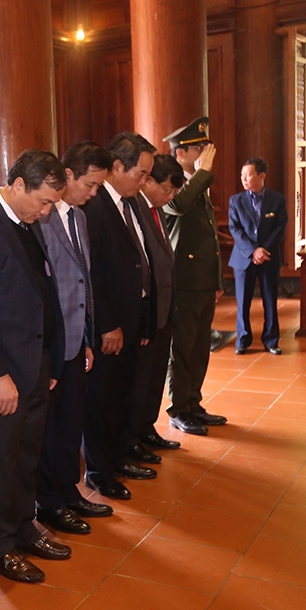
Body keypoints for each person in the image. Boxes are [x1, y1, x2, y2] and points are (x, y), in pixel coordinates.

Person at [0, 149, 70, 585]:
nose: (45, 213)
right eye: (43, 201)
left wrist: (53, 357)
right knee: (2, 457)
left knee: (27, 453)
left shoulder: (26, 222)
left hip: (36, 361)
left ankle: (24, 527)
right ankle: (0, 545)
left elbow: (42, 290)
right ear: (19, 184)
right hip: (4, 370)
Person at [35, 141, 115, 535]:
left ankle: (69, 491)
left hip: (76, 339)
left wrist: (87, 338)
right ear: (68, 175)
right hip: (52, 342)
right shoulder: (42, 219)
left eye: (99, 187)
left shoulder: (79, 218)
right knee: (50, 429)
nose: (93, 193)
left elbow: (84, 281)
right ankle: (49, 502)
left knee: (71, 424)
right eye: (90, 184)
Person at [81, 132, 160, 503]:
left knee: (123, 395)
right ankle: (100, 471)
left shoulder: (130, 203)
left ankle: (118, 456)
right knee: (103, 399)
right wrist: (108, 322)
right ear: (116, 167)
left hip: (132, 317)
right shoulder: (95, 207)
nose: (144, 182)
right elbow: (92, 272)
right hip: (109, 324)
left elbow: (140, 261)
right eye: (140, 174)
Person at [161, 117, 227, 436]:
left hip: (201, 282)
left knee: (200, 347)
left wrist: (217, 282)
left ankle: (193, 403)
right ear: (180, 154)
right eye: (197, 148)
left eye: (204, 147)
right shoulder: (172, 186)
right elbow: (178, 206)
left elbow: (210, 238)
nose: (203, 153)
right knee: (181, 349)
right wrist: (202, 173)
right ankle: (178, 409)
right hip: (183, 282)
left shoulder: (198, 183)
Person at [132, 155, 186, 453]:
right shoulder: (136, 208)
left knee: (154, 378)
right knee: (141, 380)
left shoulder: (155, 209)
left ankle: (146, 427)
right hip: (147, 311)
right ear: (149, 180)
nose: (170, 197)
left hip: (163, 310)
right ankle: (135, 433)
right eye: (167, 190)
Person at [229, 157, 288, 355]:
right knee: (242, 301)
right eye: (242, 176)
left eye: (248, 175)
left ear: (261, 176)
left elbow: (280, 227)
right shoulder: (236, 201)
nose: (244, 179)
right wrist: (253, 250)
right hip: (243, 257)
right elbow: (235, 229)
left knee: (270, 299)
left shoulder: (277, 199)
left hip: (268, 257)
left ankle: (271, 340)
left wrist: (263, 250)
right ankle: (243, 339)